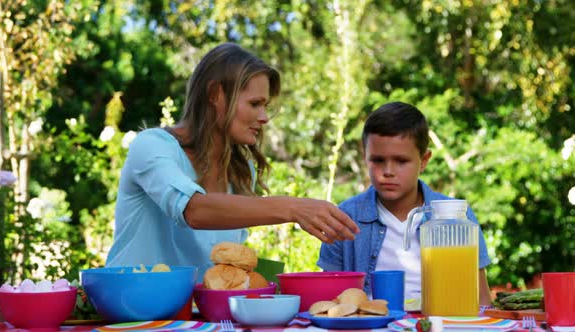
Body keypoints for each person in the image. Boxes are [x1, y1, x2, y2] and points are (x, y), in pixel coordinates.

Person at [105, 43, 359, 281]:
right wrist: (292, 208)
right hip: (129, 311)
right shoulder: (151, 146)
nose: (264, 117)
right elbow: (194, 210)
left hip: (197, 320)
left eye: (265, 105)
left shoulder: (240, 171)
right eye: (255, 104)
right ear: (216, 95)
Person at [317, 101, 492, 306]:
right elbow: (330, 304)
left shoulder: (456, 216)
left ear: (424, 160)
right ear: (365, 157)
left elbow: (482, 301)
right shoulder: (344, 217)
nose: (388, 171)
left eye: (401, 161)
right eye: (378, 160)